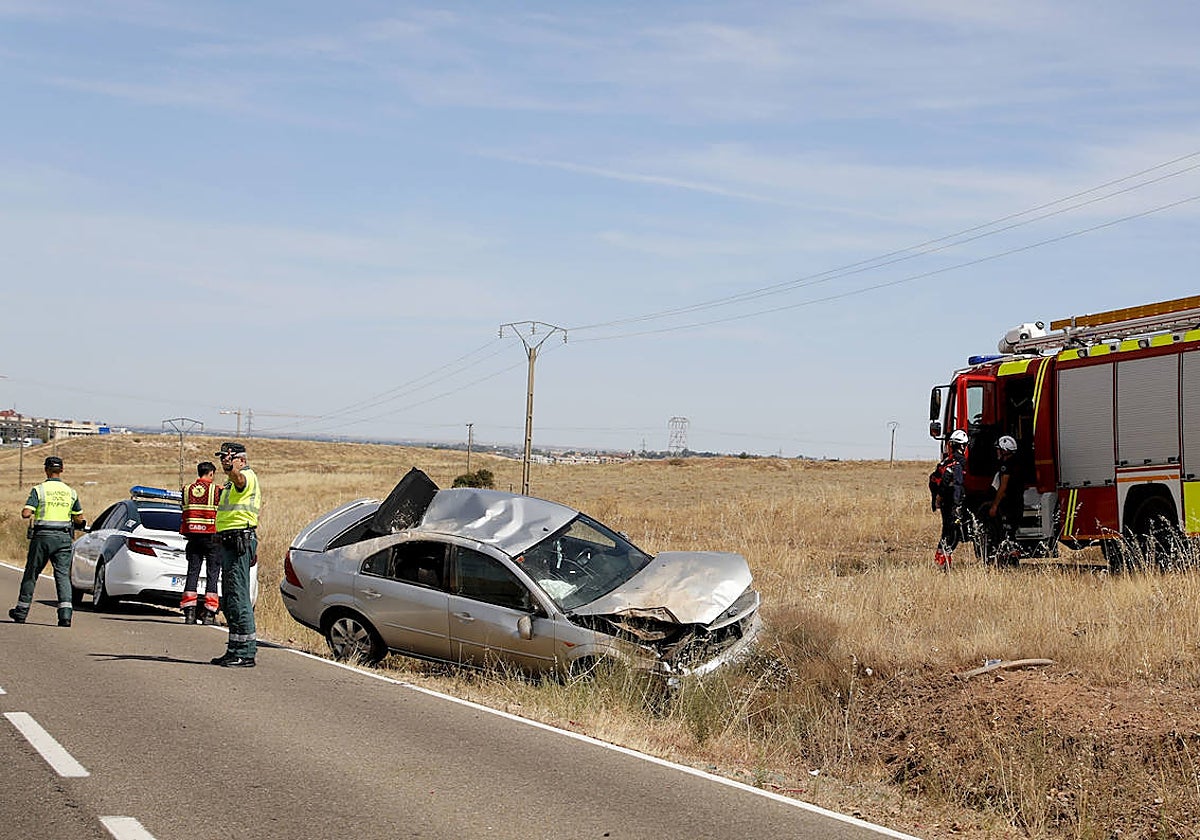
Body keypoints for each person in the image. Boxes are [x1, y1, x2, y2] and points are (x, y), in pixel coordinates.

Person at [9, 456, 85, 627]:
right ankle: (65, 616)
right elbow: (79, 518)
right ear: (62, 470)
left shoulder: (39, 490)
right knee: (62, 576)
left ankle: (21, 612)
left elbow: (26, 513)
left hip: (42, 537)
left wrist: (30, 509)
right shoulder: (71, 492)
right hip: (64, 538)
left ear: (46, 470)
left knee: (32, 573)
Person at [210, 442, 260, 668]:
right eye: (221, 459)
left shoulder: (245, 477)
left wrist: (232, 470)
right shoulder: (230, 481)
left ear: (241, 459)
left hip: (240, 541)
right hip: (229, 542)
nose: (223, 462)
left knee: (239, 596)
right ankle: (234, 649)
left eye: (228, 459)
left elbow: (240, 481)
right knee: (230, 598)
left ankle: (246, 652)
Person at [180, 461, 222, 625]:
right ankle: (209, 614)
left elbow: (183, 510)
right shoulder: (216, 490)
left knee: (192, 573)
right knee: (212, 575)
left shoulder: (187, 489)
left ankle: (189, 613)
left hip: (193, 537)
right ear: (211, 473)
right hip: (212, 537)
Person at [930, 429, 968, 570]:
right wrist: (958, 505)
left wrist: (938, 499)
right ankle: (943, 564)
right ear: (963, 446)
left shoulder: (947, 461)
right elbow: (954, 484)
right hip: (952, 502)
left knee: (946, 532)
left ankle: (940, 561)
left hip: (945, 502)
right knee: (953, 534)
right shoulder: (959, 462)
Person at [987, 435, 1024, 565]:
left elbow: (1003, 487)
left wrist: (994, 506)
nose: (997, 452)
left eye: (999, 449)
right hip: (1018, 503)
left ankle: (1010, 562)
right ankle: (1012, 560)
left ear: (1005, 450)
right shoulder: (1018, 463)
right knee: (1012, 532)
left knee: (1007, 533)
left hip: (1009, 504)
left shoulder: (1006, 466)